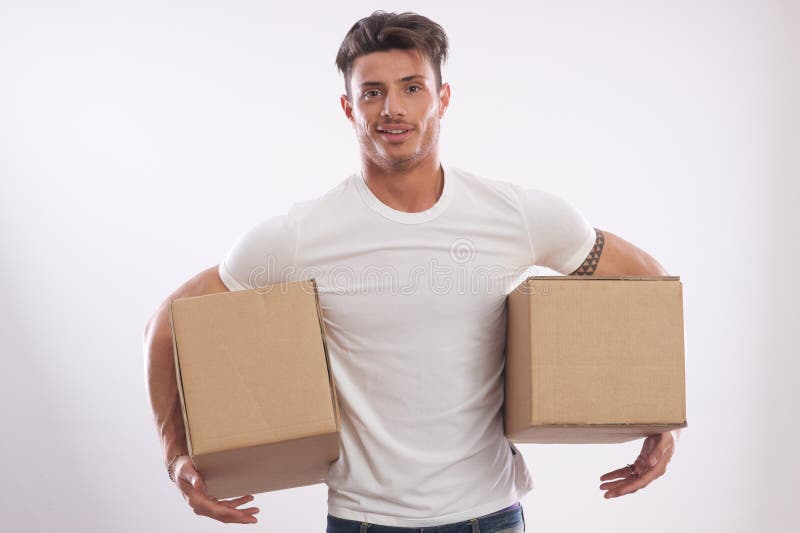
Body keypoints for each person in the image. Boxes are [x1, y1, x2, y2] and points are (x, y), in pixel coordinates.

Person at [144, 10, 681, 532]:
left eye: (412, 87)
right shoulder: (302, 234)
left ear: (443, 98)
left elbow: (649, 285)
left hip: (490, 515)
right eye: (372, 92)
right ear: (348, 108)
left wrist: (659, 415)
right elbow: (167, 326)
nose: (392, 108)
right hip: (363, 521)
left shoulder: (515, 215)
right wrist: (176, 457)